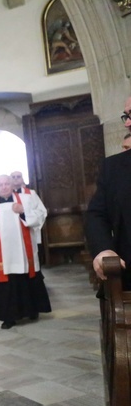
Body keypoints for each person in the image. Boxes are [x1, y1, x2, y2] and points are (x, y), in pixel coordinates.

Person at [0, 175, 52, 328]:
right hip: (2, 255)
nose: (4, 187)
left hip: (23, 252)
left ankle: (32, 310)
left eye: (6, 184)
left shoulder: (25, 199)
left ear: (12, 185)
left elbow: (39, 218)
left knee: (27, 278)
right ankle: (8, 317)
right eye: (0, 185)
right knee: (6, 285)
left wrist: (23, 211)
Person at [86, 96, 131, 289]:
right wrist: (103, 249)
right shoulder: (113, 167)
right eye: (126, 116)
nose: (127, 123)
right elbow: (96, 214)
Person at [10, 170, 46, 245]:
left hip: (29, 229)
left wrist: (30, 218)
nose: (15, 178)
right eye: (13, 177)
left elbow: (41, 211)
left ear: (22, 179)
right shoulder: (6, 196)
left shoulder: (31, 193)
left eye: (18, 177)